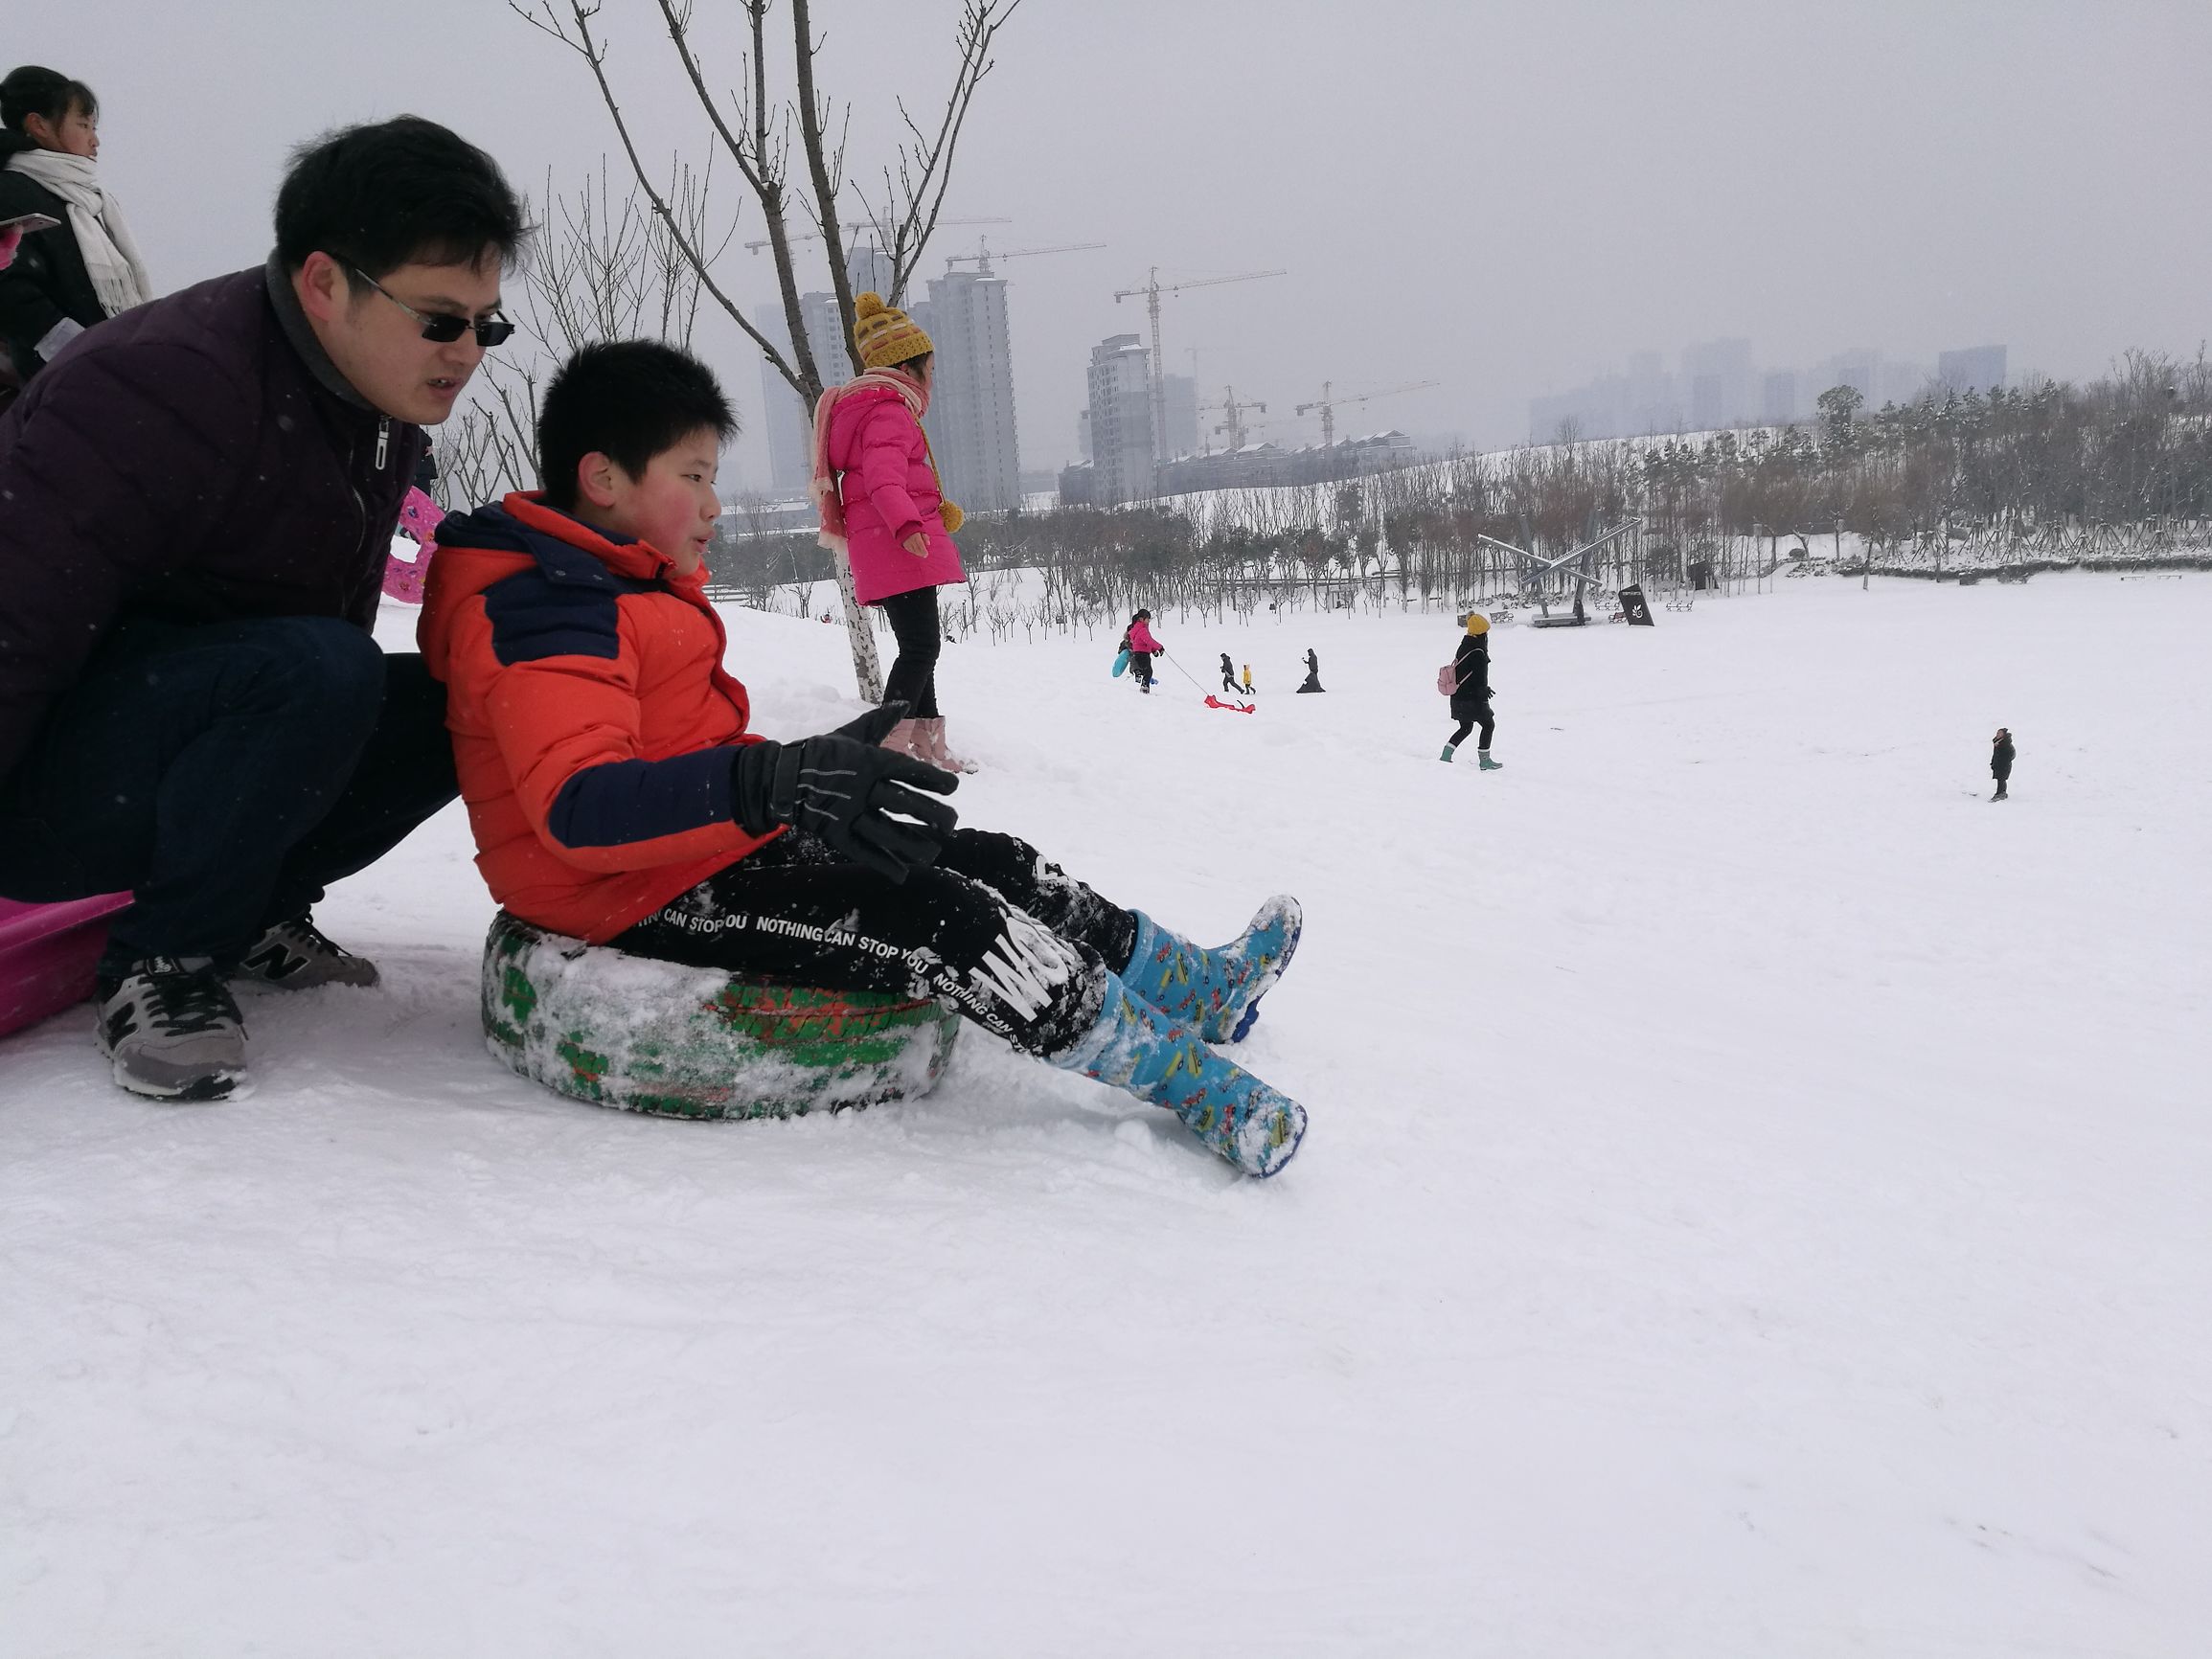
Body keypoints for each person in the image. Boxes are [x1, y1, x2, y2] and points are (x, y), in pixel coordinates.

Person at [420, 341, 1308, 1177]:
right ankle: (1185, 1083)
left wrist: (804, 766)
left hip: (692, 849)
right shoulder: (546, 611)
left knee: (982, 856)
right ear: (602, 478)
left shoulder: (613, 583)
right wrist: (766, 784)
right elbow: (579, 806)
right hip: (619, 894)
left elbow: (672, 752)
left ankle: (1194, 988)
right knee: (945, 921)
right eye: (693, 477)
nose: (715, 505)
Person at [0, 115, 527, 1101]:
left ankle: (248, 907)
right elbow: (13, 629)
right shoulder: (153, 385)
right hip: (48, 782)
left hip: (196, 738)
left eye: (486, 323)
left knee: (465, 693)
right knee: (319, 667)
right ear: (326, 284)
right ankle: (163, 963)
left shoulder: (371, 402)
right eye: (442, 319)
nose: (468, 351)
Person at [810, 292, 975, 775]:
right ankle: (890, 746)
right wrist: (907, 526)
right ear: (910, 367)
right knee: (923, 647)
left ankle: (927, 746)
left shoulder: (874, 408)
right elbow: (884, 479)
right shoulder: (889, 412)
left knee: (917, 645)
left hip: (887, 543)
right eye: (930, 366)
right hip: (898, 541)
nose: (933, 377)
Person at [0, 66, 153, 384]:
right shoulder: (13, 191)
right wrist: (80, 350)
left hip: (111, 365)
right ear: (38, 124)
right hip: (67, 380)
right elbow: (10, 288)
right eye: (83, 125)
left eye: (94, 127)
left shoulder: (88, 200)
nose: (94, 140)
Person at [1442, 613, 1502, 769]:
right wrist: (1484, 690)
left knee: (1466, 727)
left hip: (1458, 696)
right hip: (1472, 699)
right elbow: (1478, 678)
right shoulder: (1478, 652)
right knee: (1489, 725)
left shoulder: (1464, 646)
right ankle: (1485, 761)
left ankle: (1446, 755)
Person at [1127, 609, 1164, 693]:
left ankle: (1138, 673)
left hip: (1140, 653)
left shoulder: (1139, 628)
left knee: (1146, 670)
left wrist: (1154, 650)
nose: (1148, 621)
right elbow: (1149, 641)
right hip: (1142, 654)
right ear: (1141, 619)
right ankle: (1144, 686)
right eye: (1147, 619)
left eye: (1149, 619)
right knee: (1148, 671)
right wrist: (1160, 647)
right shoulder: (1142, 630)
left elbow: (1146, 642)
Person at [1991, 727, 2014, 801]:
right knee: (2000, 779)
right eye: (1997, 733)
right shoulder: (1998, 742)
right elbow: (1996, 754)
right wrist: (1993, 762)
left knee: (2001, 779)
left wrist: (2004, 761)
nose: (1997, 734)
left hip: (2004, 765)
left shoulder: (2005, 743)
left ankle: (2000, 793)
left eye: (2000, 733)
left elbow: (2011, 754)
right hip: (1998, 764)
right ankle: (2001, 792)